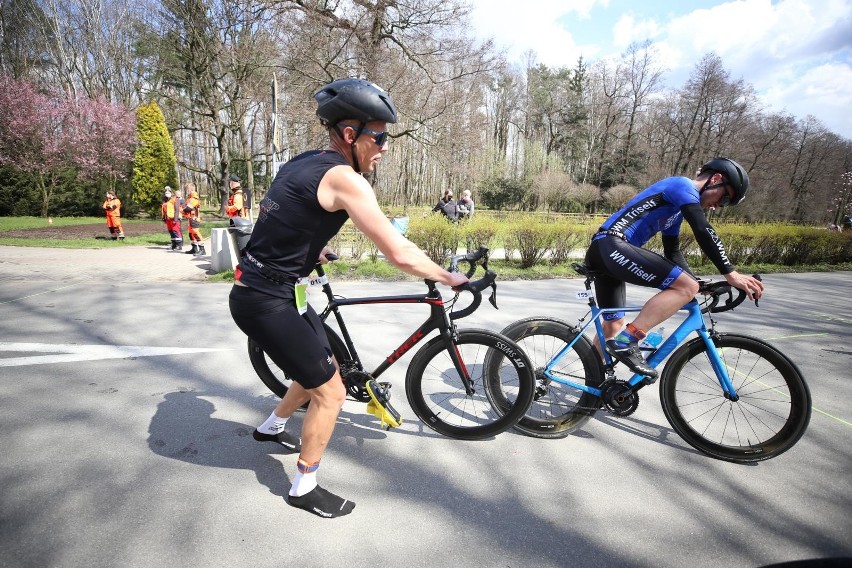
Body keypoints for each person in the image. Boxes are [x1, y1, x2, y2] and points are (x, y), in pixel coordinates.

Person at [228, 78, 468, 519]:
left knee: (320, 368)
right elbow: (397, 250)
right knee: (332, 394)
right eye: (380, 136)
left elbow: (279, 216)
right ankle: (304, 486)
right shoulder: (345, 179)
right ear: (351, 135)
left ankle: (272, 426)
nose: (386, 146)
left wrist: (309, 247)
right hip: (268, 300)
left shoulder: (305, 163)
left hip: (267, 289)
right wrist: (448, 276)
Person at [584, 157, 765, 378]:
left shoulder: (675, 211)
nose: (718, 206)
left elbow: (673, 252)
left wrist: (697, 283)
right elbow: (702, 228)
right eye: (725, 198)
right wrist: (731, 273)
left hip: (606, 251)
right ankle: (628, 341)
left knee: (613, 324)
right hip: (612, 245)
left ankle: (591, 380)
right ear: (716, 179)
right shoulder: (682, 186)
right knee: (684, 287)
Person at [182, 182, 205, 255]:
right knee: (191, 234)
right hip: (190, 218)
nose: (187, 190)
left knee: (196, 233)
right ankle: (194, 248)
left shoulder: (194, 198)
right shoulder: (190, 198)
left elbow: (188, 208)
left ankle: (202, 249)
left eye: (187, 189)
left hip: (194, 218)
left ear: (191, 188)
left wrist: (182, 210)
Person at [161, 186, 184, 251]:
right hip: (168, 218)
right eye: (166, 192)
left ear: (171, 192)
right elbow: (165, 210)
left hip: (174, 218)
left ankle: (179, 245)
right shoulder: (165, 200)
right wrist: (164, 218)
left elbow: (177, 210)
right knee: (171, 232)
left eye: (168, 192)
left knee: (176, 231)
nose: (167, 193)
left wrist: (175, 219)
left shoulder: (175, 199)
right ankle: (174, 245)